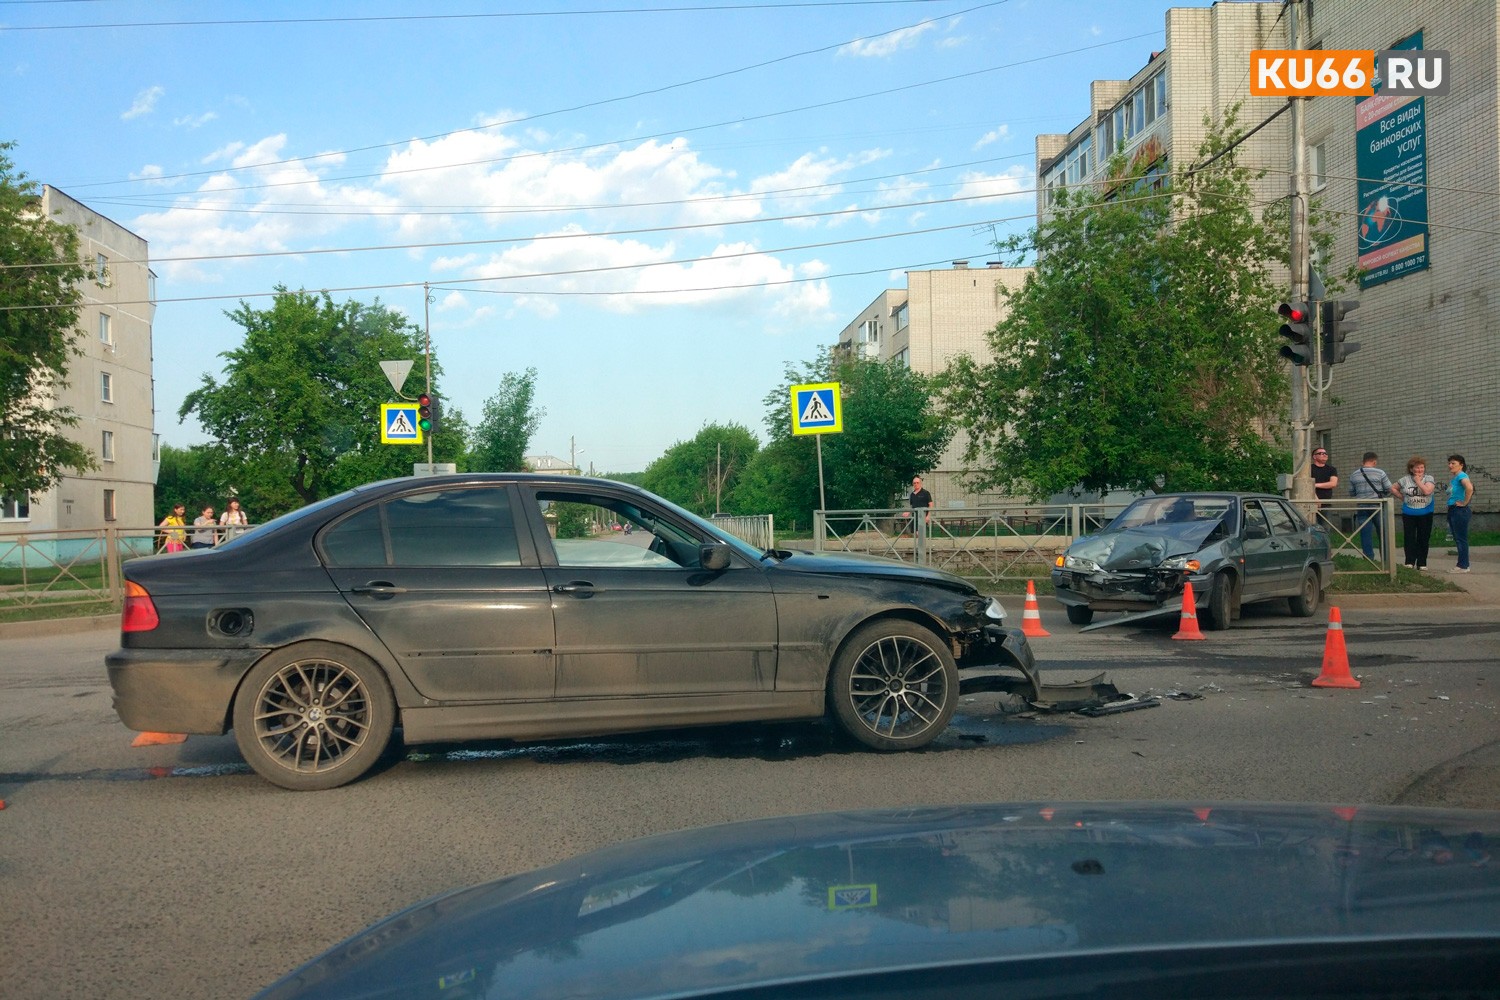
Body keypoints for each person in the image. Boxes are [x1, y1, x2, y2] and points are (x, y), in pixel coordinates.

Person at [1393, 456, 1436, 570]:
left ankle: (1422, 563)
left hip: (1425, 512)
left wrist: (1418, 481)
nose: (1420, 470)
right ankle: (1409, 561)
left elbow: (1427, 491)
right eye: (1417, 468)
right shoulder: (1405, 479)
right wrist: (1402, 498)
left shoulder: (1429, 478)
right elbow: (1393, 488)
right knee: (1409, 538)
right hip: (1409, 513)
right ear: (1411, 469)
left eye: (1422, 468)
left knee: (1423, 538)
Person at [1348, 452, 1392, 559]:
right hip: (1378, 506)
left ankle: (1368, 559)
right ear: (1374, 461)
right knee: (1383, 532)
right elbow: (1389, 488)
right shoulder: (1380, 473)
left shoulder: (1354, 474)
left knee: (1365, 533)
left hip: (1362, 507)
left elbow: (1351, 492)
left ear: (1363, 461)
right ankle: (1386, 559)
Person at [1445, 454, 1473, 573]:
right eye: (1449, 463)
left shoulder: (1462, 475)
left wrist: (1465, 502)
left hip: (1459, 510)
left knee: (1461, 539)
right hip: (1453, 510)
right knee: (1458, 538)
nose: (1450, 465)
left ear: (1461, 465)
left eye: (1453, 463)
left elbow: (1469, 488)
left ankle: (1463, 566)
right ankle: (1462, 564)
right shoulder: (1455, 478)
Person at [1311, 447, 1338, 528]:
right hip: (1311, 503)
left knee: (1326, 528)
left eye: (1325, 453)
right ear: (1314, 456)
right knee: (1312, 527)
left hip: (1326, 503)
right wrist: (1315, 498)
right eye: (1321, 453)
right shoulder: (1309, 469)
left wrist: (1315, 485)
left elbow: (1333, 483)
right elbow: (1306, 485)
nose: (1324, 455)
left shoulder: (1331, 469)